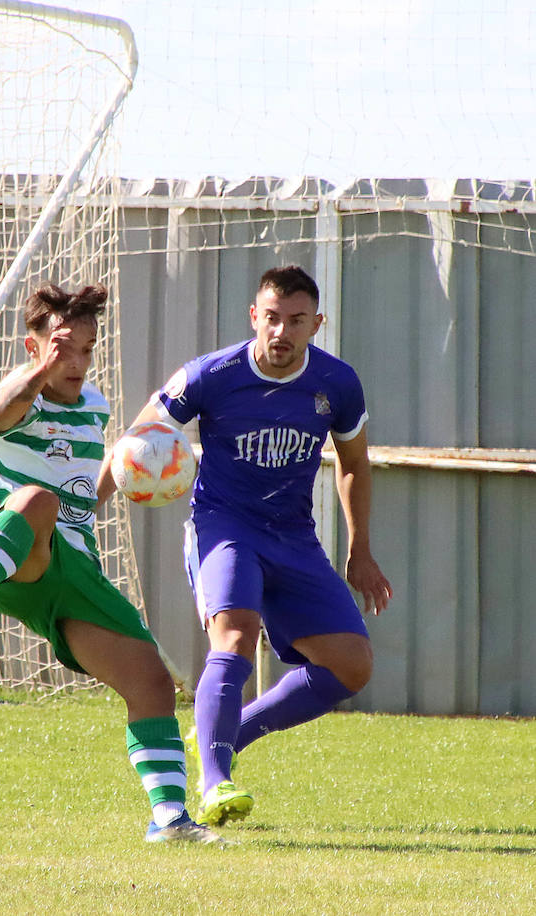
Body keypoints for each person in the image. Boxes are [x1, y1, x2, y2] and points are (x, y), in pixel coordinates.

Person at [0, 282, 223, 844]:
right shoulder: (21, 397)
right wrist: (44, 368)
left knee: (151, 682)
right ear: (33, 346)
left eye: (87, 350)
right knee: (37, 501)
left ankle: (169, 820)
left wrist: (131, 467)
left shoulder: (95, 406)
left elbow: (82, 496)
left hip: (73, 564)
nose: (78, 362)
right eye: (65, 349)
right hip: (10, 548)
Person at [115, 264, 393, 827]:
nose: (281, 332)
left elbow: (355, 464)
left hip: (292, 533)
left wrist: (360, 549)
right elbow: (139, 437)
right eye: (271, 318)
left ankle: (228, 734)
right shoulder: (210, 375)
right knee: (237, 635)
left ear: (317, 323)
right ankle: (215, 781)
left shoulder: (337, 384)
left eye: (295, 321)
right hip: (224, 525)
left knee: (352, 665)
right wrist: (95, 497)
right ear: (254, 317)